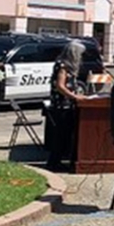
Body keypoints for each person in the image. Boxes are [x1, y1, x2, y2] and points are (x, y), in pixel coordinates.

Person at [45, 40, 86, 171]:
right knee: (61, 135)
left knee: (66, 135)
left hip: (69, 105)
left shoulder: (69, 67)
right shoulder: (62, 66)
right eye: (79, 54)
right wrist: (74, 96)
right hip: (62, 106)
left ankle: (60, 161)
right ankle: (53, 163)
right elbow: (60, 86)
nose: (80, 57)